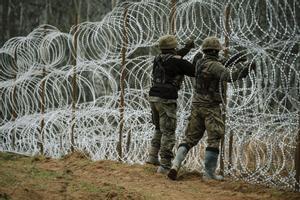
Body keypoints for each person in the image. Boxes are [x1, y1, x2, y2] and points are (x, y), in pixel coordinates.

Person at [167, 36, 256, 180]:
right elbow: (229, 76)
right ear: (215, 51)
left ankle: (175, 165)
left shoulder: (200, 62)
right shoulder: (214, 65)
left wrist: (238, 58)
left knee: (189, 138)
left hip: (196, 105)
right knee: (214, 138)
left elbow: (222, 63)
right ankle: (209, 174)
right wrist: (246, 68)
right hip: (211, 107)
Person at [146, 34, 195, 174]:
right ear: (174, 47)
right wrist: (198, 60)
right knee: (168, 131)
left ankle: (152, 157)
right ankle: (165, 164)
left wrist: (187, 49)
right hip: (166, 99)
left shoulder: (158, 58)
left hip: (154, 96)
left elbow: (174, 57)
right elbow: (194, 71)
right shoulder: (177, 61)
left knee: (158, 128)